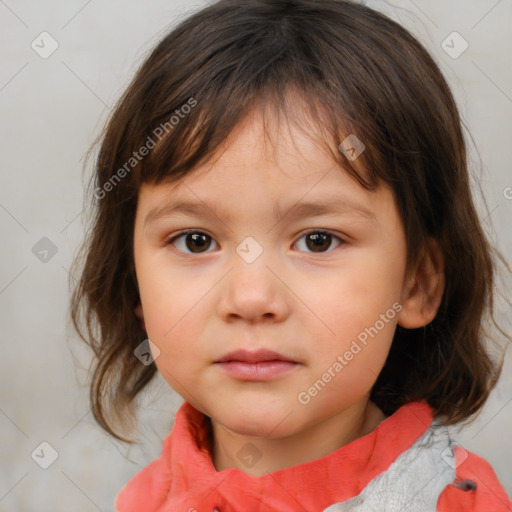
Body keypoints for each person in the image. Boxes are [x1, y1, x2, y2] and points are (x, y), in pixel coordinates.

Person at [69, 0, 512, 510]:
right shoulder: (143, 500)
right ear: (133, 282)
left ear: (417, 283)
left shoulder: (454, 501)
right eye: (196, 240)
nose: (251, 298)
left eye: (318, 240)